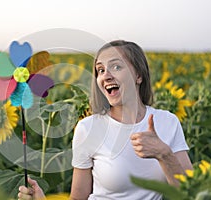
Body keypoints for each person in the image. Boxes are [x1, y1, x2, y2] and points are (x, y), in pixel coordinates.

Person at [18, 40, 193, 200]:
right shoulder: (88, 127)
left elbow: (189, 195)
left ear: (139, 75)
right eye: (100, 70)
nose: (106, 75)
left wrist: (164, 154)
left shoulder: (168, 122)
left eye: (116, 67)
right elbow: (78, 197)